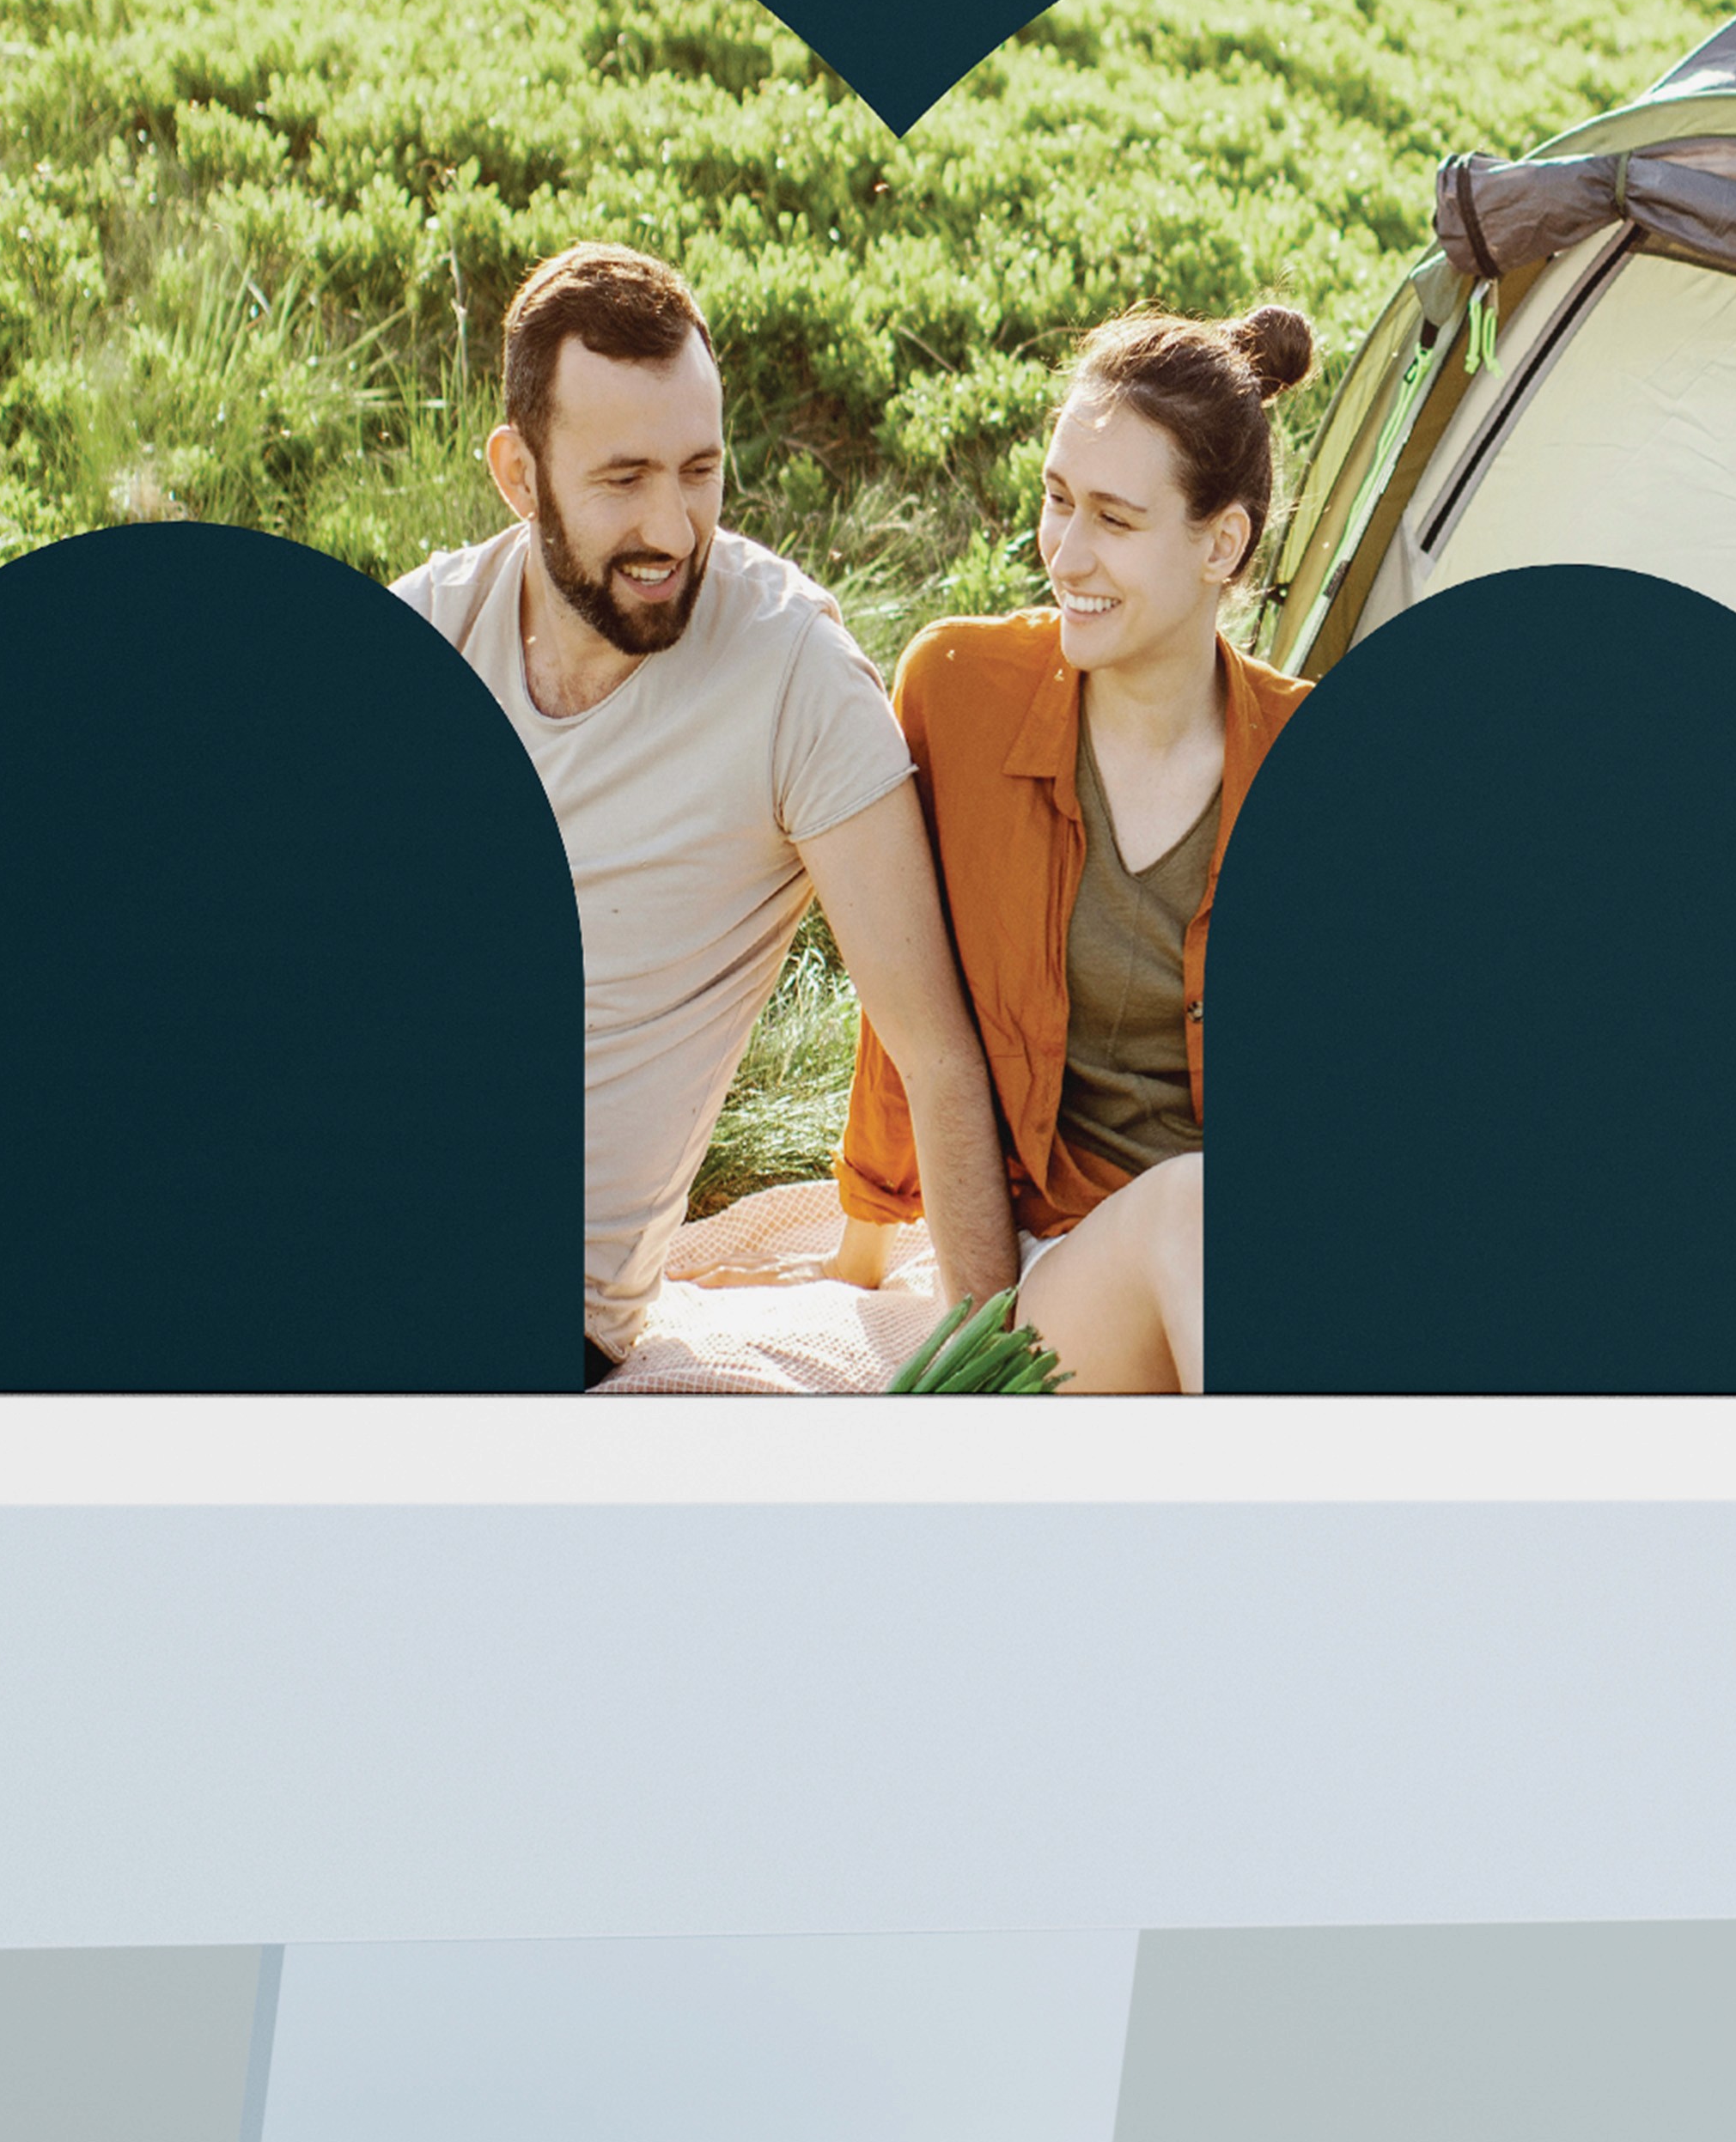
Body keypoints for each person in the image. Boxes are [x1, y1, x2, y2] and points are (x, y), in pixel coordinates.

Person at [391, 243, 1020, 1378]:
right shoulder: (433, 628)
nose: (674, 529)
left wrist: (991, 1389)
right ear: (519, 475)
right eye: (624, 478)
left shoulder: (793, 675)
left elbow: (936, 1053)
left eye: (699, 470)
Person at [834, 301, 1322, 1395]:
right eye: (1059, 501)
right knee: (1190, 1213)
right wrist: (862, 1251)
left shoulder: (1316, 758)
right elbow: (904, 1019)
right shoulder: (957, 693)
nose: (1066, 552)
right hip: (1070, 1277)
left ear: (1222, 542)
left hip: (1269, 1281)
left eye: (1114, 517)